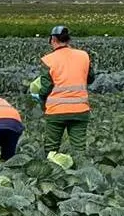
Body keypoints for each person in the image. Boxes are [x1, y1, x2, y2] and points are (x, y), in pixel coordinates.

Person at [37, 25, 95, 155]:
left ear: (53, 40)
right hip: (80, 109)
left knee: (51, 149)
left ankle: (52, 168)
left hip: (56, 111)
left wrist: (40, 99)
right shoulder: (83, 56)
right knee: (79, 149)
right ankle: (80, 167)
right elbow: (90, 78)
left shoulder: (48, 60)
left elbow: (46, 88)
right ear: (69, 40)